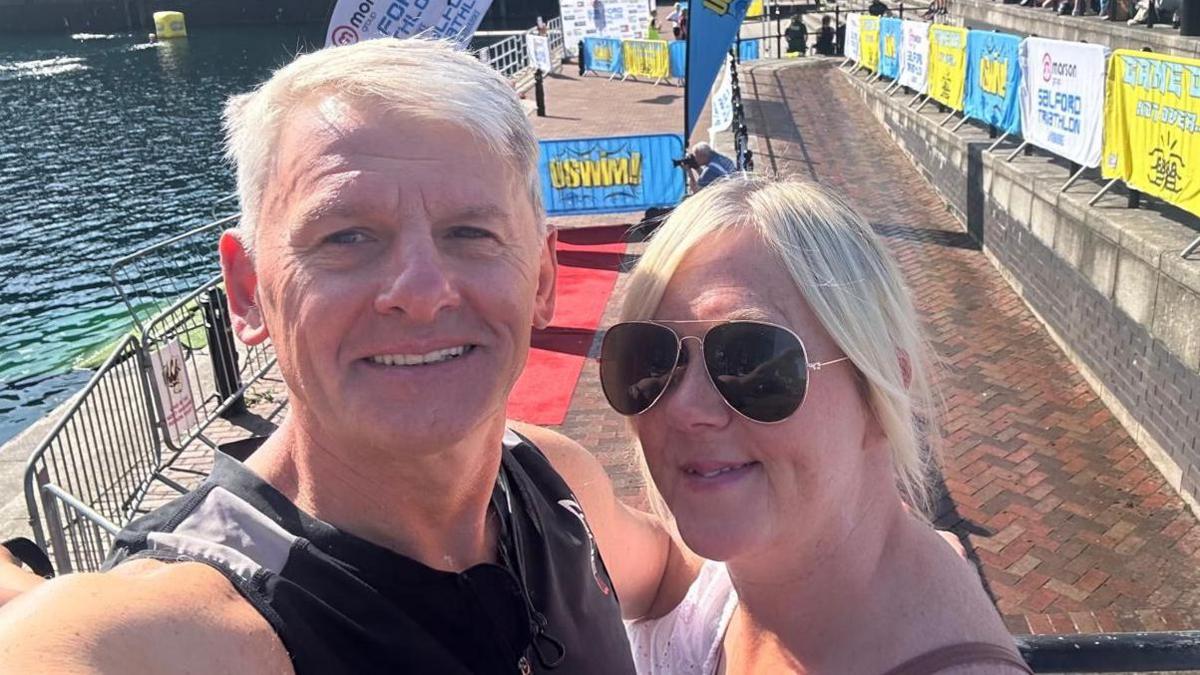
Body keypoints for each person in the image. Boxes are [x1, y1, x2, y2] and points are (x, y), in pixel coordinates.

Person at [0, 37, 689, 674]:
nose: (421, 291)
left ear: (541, 280)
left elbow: (672, 579)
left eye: (471, 232)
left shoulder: (554, 484)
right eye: (346, 236)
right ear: (248, 291)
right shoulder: (187, 625)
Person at [601, 176, 1033, 674]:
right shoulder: (747, 562)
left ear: (878, 390)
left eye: (752, 364)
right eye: (650, 361)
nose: (682, 407)